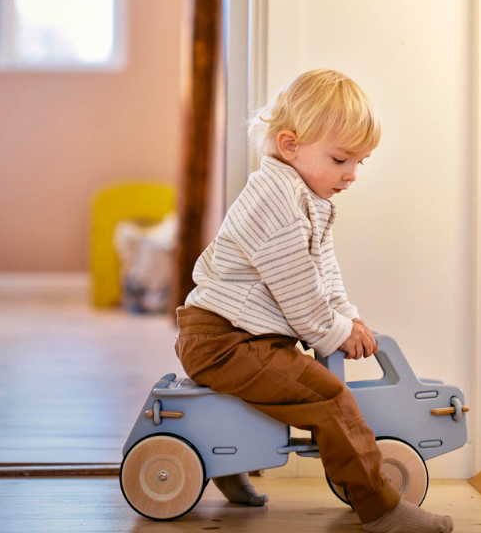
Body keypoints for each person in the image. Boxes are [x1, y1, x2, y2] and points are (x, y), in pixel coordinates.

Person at [175, 69, 453, 533]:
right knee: (328, 397)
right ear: (290, 145)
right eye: (341, 159)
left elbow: (324, 271)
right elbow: (299, 292)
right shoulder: (275, 201)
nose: (352, 174)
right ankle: (381, 508)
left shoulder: (307, 196)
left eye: (360, 162)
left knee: (293, 386)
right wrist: (334, 332)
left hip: (243, 337)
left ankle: (229, 461)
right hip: (225, 340)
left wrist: (348, 318)